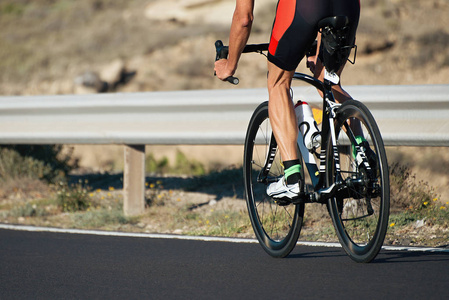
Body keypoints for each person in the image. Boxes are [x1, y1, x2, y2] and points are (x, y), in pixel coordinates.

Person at [214, 0, 360, 201]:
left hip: (304, 7)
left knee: (278, 82)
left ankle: (292, 179)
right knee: (327, 79)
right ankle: (363, 154)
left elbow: (244, 19)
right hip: (349, 6)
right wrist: (316, 47)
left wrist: (229, 65)